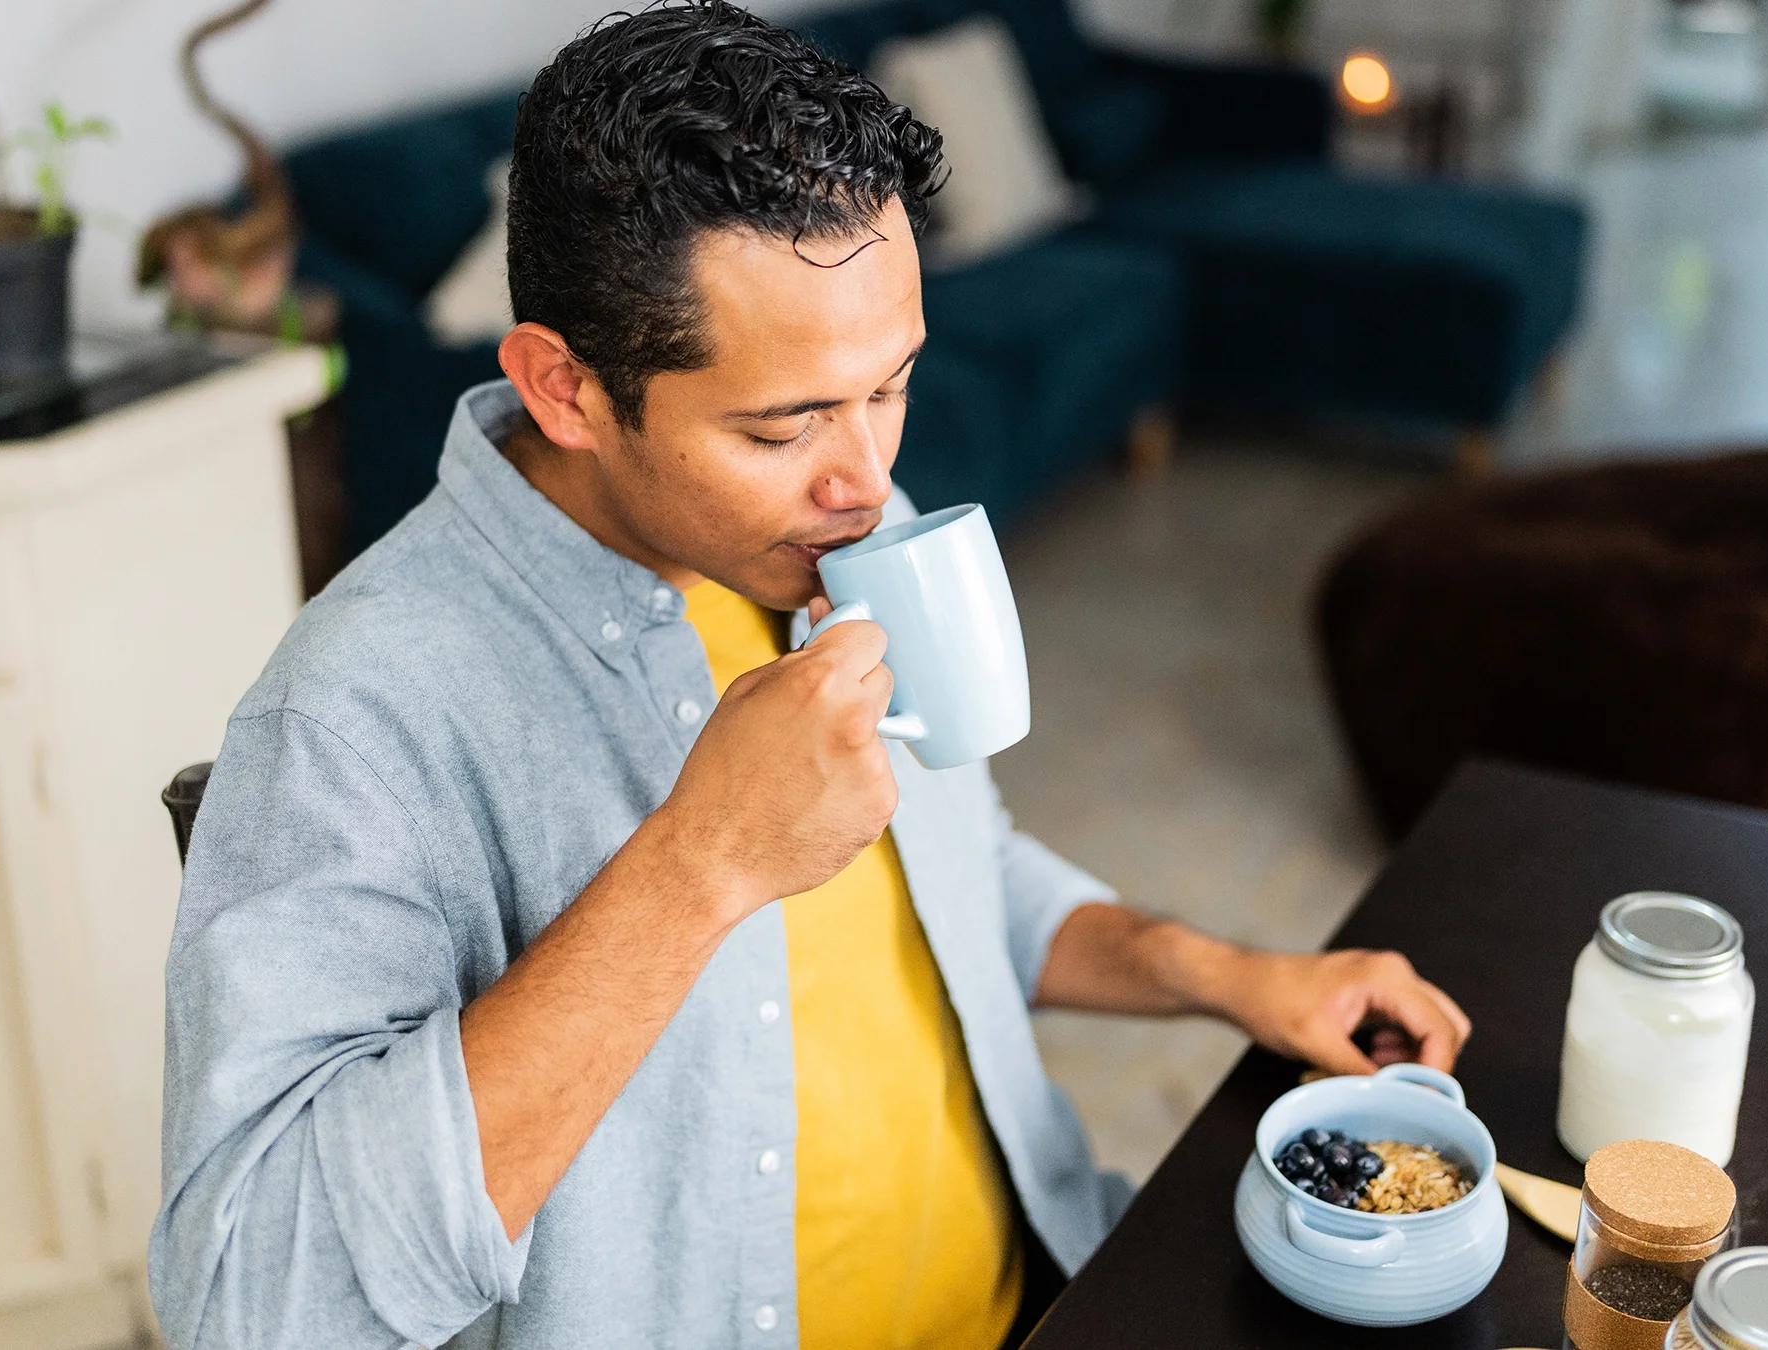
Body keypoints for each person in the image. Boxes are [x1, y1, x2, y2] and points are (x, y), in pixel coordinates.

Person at [148, 5, 1471, 1348]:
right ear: (564, 388)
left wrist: (1226, 972)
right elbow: (258, 1295)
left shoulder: (842, 538)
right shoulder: (357, 711)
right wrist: (697, 865)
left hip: (1045, 1294)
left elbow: (953, 888)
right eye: (783, 425)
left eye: (889, 385)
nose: (869, 480)